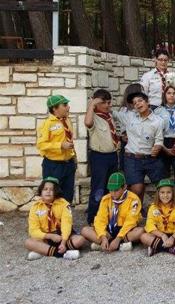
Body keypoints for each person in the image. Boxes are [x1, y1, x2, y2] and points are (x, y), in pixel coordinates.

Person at [25, 177, 86, 261]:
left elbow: (66, 224)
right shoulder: (35, 207)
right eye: (45, 189)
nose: (48, 191)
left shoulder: (63, 204)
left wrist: (63, 242)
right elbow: (33, 230)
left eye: (51, 190)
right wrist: (50, 236)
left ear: (56, 192)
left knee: (80, 240)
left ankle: (44, 251)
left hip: (63, 236)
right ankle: (63, 254)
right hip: (46, 237)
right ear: (41, 192)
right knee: (28, 242)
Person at [81, 172, 143, 252]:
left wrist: (118, 238)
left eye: (116, 190)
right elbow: (100, 220)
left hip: (125, 230)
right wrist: (103, 237)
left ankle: (110, 244)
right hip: (109, 231)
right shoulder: (106, 199)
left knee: (140, 231)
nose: (113, 193)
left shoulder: (133, 199)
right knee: (85, 230)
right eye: (110, 190)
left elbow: (130, 222)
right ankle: (115, 244)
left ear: (124, 187)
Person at [84, 89, 120, 224]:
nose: (107, 105)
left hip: (112, 156)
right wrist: (92, 104)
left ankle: (107, 216)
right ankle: (93, 218)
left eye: (109, 102)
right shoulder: (94, 117)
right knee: (98, 188)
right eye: (103, 103)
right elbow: (88, 123)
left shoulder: (108, 116)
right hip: (99, 157)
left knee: (111, 187)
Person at [122, 91, 165, 203]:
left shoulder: (158, 121)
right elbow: (112, 114)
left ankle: (161, 208)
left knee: (163, 185)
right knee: (137, 188)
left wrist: (157, 147)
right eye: (134, 103)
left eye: (140, 101)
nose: (137, 104)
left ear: (147, 102)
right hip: (132, 158)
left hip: (151, 158)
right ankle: (137, 209)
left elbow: (159, 140)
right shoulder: (129, 117)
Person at [37, 95, 76, 202]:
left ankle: (65, 213)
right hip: (53, 166)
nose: (68, 107)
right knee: (52, 196)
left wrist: (74, 158)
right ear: (54, 108)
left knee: (68, 196)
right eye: (65, 105)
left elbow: (70, 141)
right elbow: (41, 144)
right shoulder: (47, 124)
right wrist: (60, 145)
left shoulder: (67, 121)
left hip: (68, 164)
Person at [140, 179, 175, 257]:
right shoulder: (153, 207)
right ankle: (172, 249)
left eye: (168, 192)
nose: (165, 195)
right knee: (143, 237)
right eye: (162, 192)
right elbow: (149, 225)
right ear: (158, 193)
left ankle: (156, 247)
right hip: (159, 235)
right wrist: (162, 235)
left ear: (173, 193)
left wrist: (173, 238)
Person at [154, 85, 175, 176]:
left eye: (174, 93)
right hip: (163, 142)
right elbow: (155, 130)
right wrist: (164, 148)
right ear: (164, 95)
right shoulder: (158, 111)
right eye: (169, 93)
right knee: (163, 172)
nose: (171, 95)